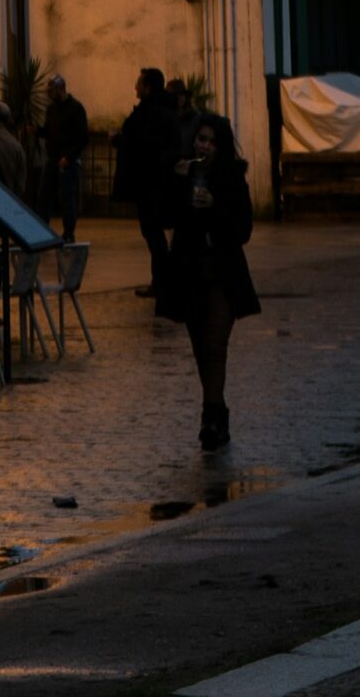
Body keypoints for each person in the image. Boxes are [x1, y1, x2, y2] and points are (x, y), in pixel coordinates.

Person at [157, 112, 258, 448]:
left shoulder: (232, 178)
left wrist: (214, 207)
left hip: (222, 273)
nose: (206, 146)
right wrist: (176, 181)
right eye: (201, 139)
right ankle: (218, 411)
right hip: (190, 272)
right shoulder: (184, 172)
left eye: (212, 141)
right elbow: (166, 216)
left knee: (215, 345)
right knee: (201, 347)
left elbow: (242, 229)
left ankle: (210, 418)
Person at [114, 67, 180, 299]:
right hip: (157, 182)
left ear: (148, 88)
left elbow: (142, 145)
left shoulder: (151, 113)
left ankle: (163, 281)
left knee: (154, 235)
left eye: (139, 84)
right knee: (155, 235)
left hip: (151, 184)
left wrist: (119, 140)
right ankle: (164, 280)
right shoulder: (165, 112)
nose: (135, 87)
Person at [41, 75, 89, 242]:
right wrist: (37, 131)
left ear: (60, 89)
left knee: (67, 197)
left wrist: (69, 157)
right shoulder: (52, 109)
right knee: (45, 196)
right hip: (53, 158)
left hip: (67, 161)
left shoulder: (76, 109)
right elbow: (49, 131)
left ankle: (69, 232)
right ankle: (41, 230)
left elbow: (82, 138)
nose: (48, 94)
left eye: (51, 91)